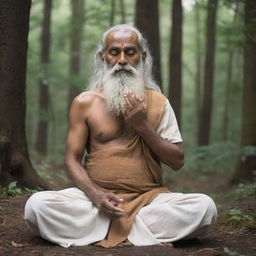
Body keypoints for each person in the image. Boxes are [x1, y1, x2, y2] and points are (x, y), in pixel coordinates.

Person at [24, 24, 217, 248]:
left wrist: (142, 125)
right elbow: (71, 160)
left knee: (204, 207)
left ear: (142, 57)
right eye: (114, 52)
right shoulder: (85, 102)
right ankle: (141, 234)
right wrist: (97, 196)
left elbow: (176, 161)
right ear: (102, 56)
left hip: (149, 201)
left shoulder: (158, 102)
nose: (122, 60)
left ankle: (105, 231)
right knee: (37, 206)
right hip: (94, 203)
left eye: (130, 52)